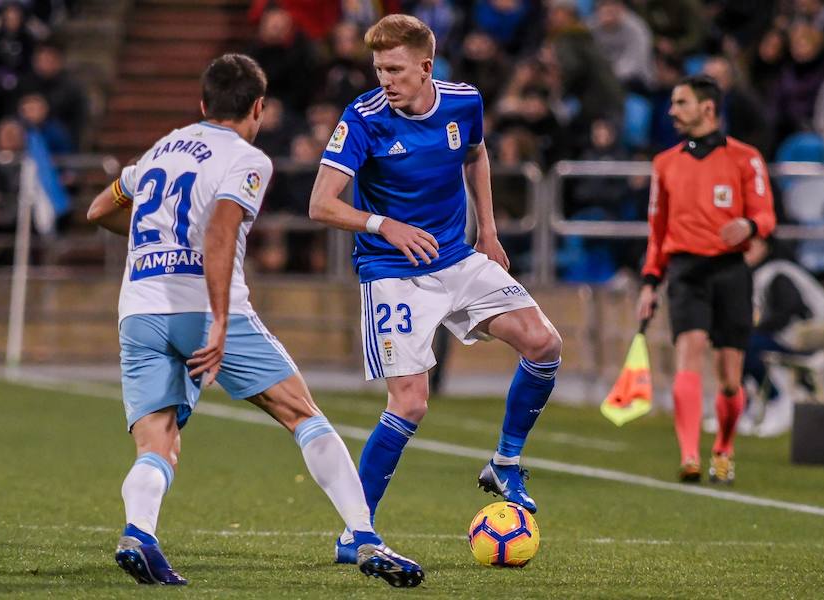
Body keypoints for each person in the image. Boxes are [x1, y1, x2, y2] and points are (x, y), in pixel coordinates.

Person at [86, 53, 423, 588]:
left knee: (158, 443)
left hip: (139, 310)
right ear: (259, 108)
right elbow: (221, 233)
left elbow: (99, 211)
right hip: (203, 309)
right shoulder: (246, 158)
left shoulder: (158, 151)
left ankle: (139, 532)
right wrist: (219, 323)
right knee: (302, 412)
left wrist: (161, 247)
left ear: (202, 103)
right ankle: (362, 535)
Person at [308, 15, 563, 563]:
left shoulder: (463, 102)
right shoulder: (363, 119)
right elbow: (321, 203)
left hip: (455, 256)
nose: (385, 80)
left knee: (544, 343)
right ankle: (357, 531)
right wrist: (384, 225)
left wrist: (488, 232)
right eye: (378, 69)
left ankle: (506, 463)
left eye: (395, 69)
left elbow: (475, 155)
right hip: (391, 271)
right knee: (411, 401)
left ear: (427, 67)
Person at [637, 74, 776, 484]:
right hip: (685, 271)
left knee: (730, 377)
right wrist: (650, 281)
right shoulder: (664, 163)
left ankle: (724, 449)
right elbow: (656, 230)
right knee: (689, 351)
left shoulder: (745, 158)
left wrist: (749, 225)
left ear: (708, 108)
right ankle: (690, 455)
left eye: (681, 103)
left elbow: (766, 214)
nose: (672, 111)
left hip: (731, 271)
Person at [741, 235, 824, 436]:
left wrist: (757, 330)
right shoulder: (759, 274)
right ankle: (744, 407)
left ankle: (775, 400)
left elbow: (789, 310)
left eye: (752, 245)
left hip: (806, 339)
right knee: (735, 345)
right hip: (787, 337)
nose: (746, 250)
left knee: (744, 345)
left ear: (766, 247)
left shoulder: (779, 272)